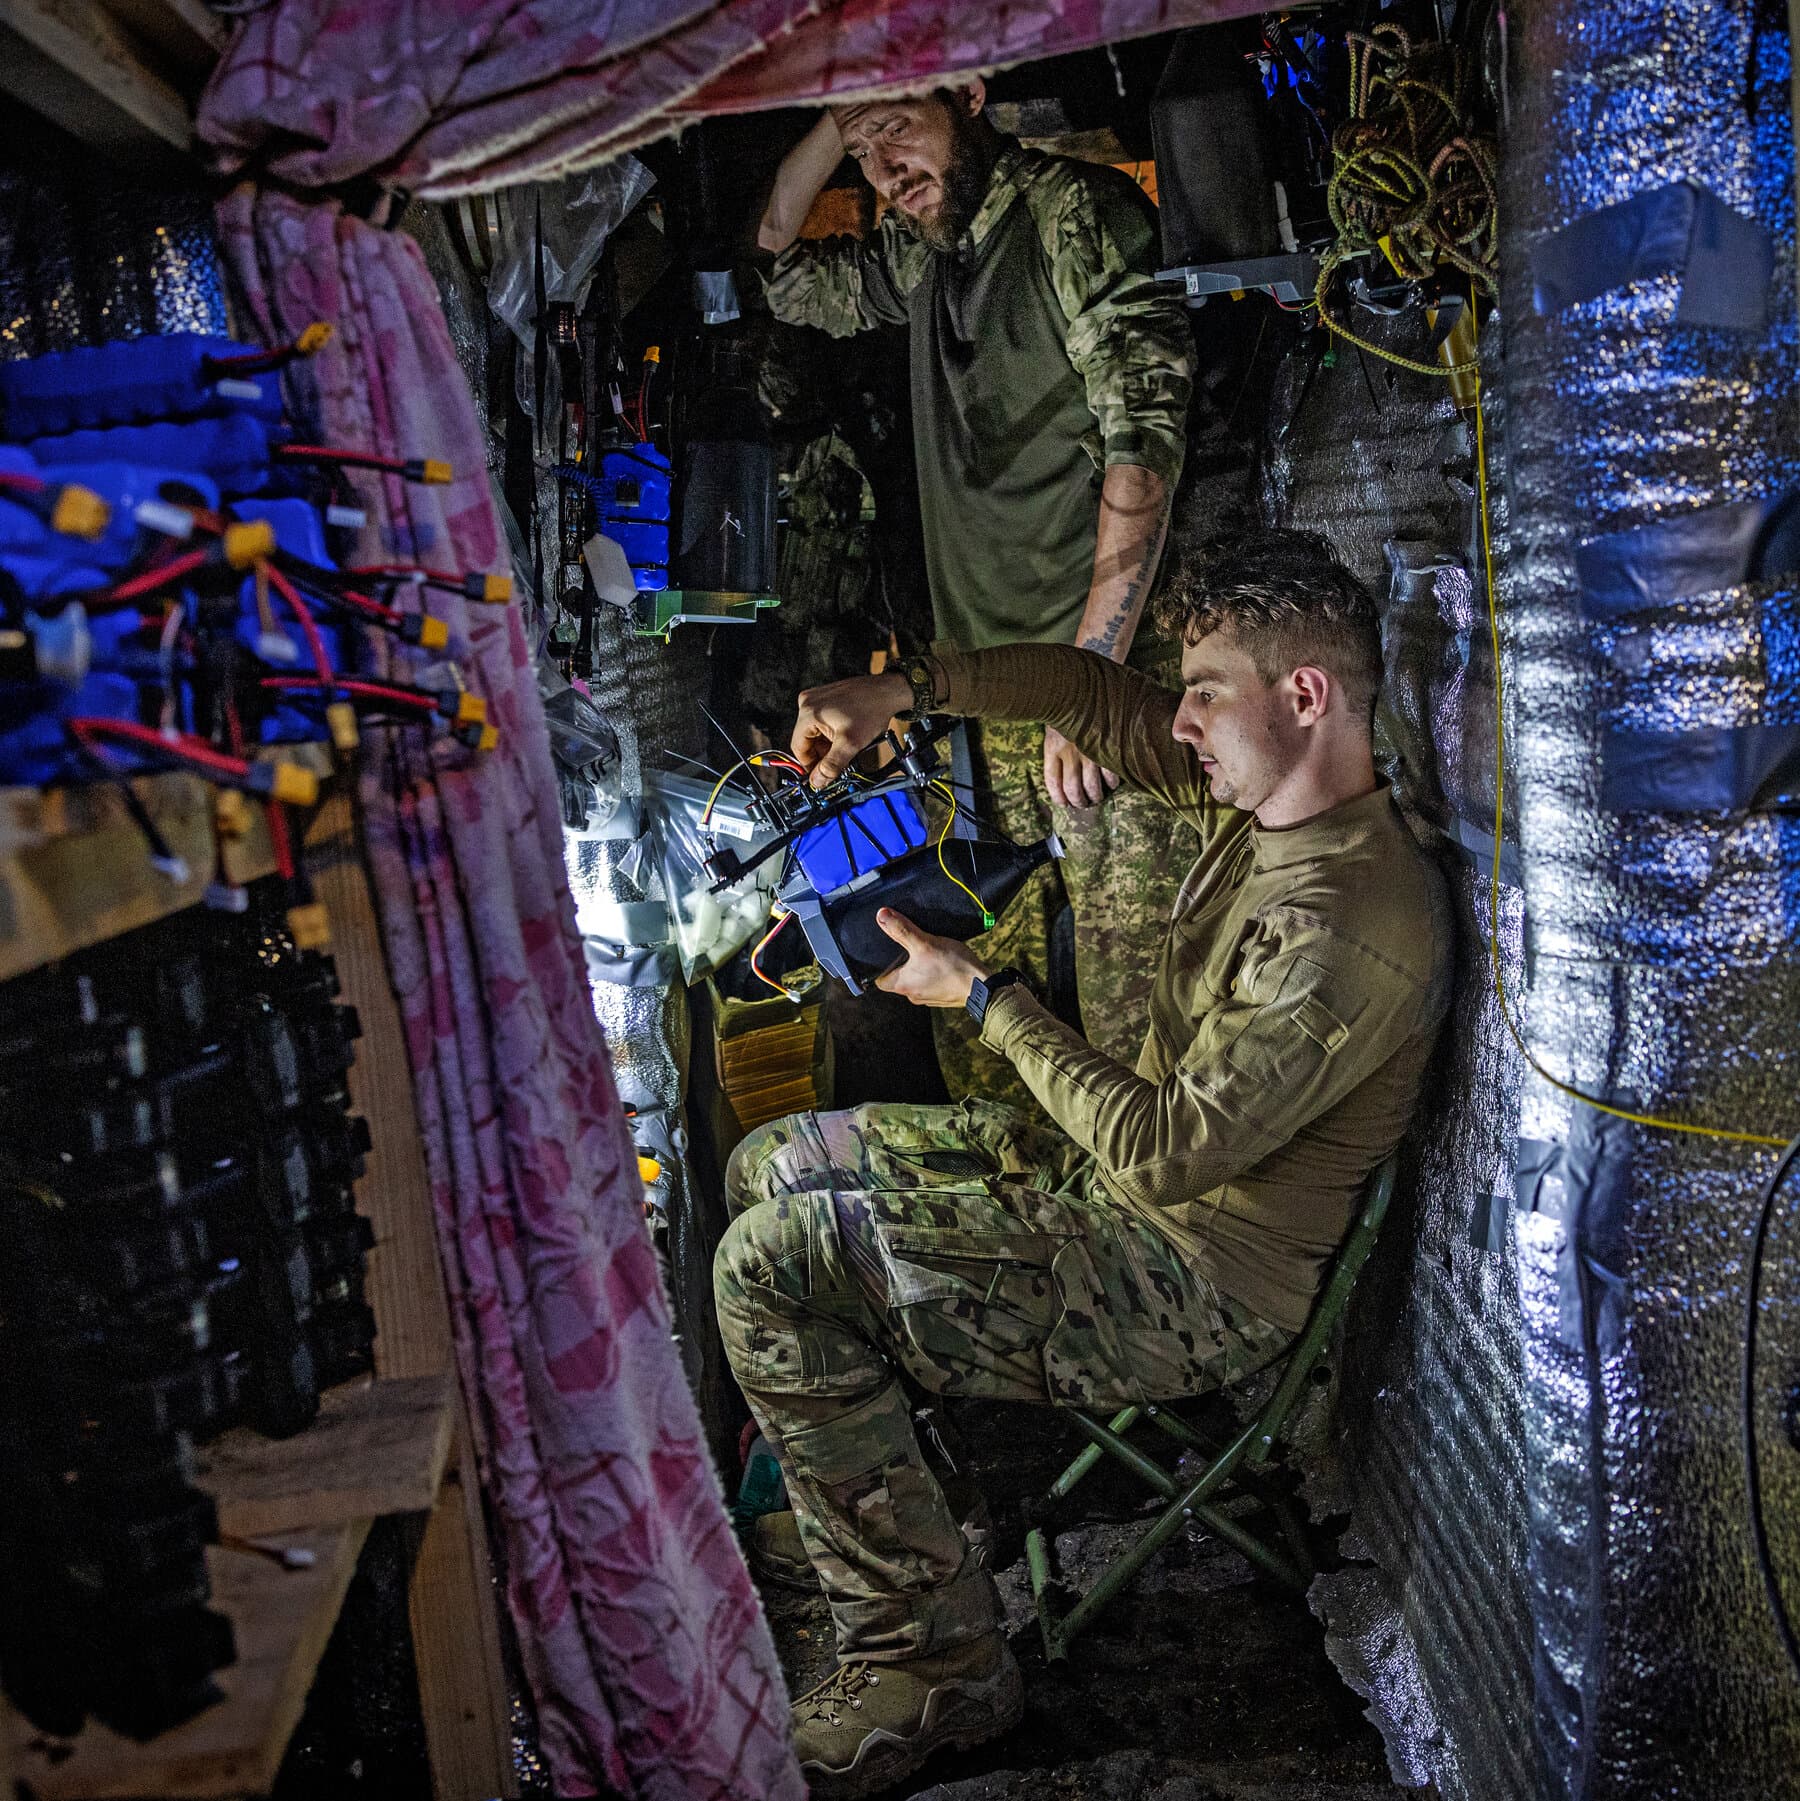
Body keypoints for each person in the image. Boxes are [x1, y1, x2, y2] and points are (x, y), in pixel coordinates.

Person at [713, 530, 1454, 1798]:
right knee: (773, 1162)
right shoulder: (1272, 804)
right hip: (1103, 1190)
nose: (1182, 721)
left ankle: (930, 1665)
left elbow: (1166, 1154)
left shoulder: (1351, 925)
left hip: (1184, 1279)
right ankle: (885, 1521)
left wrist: (982, 998)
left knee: (770, 1269)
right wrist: (901, 691)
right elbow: (1083, 693)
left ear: (1306, 694)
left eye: (1206, 692)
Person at [758, 82, 1195, 1110]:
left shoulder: (1072, 214)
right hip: (977, 706)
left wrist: (1092, 680)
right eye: (863, 154)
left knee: (1137, 1031)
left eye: (899, 131)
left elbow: (1144, 445)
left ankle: (1137, 1215)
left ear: (967, 92)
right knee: (988, 1041)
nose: (884, 171)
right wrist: (842, 110)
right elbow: (779, 270)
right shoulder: (921, 252)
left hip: (1101, 682)